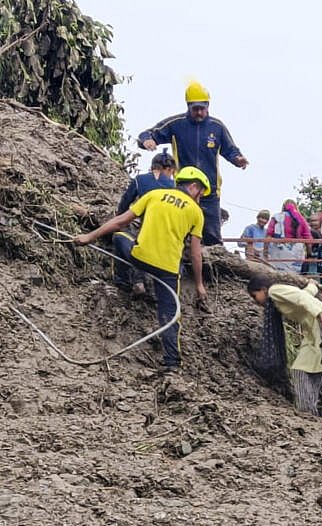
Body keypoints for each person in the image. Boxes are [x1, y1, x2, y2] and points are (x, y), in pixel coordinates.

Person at [73, 167, 209, 372]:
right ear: (194, 186)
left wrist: (89, 237)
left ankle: (123, 282)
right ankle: (172, 363)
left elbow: (120, 222)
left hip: (140, 258)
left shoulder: (154, 195)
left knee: (120, 238)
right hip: (168, 270)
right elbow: (195, 253)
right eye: (201, 193)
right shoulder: (196, 212)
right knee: (170, 315)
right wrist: (199, 284)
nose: (200, 198)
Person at [246, 277, 322, 430]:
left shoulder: (274, 291)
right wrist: (312, 285)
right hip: (313, 334)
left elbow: (301, 297)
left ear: (263, 290)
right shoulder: (276, 299)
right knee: (300, 370)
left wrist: (320, 316)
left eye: (254, 296)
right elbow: (304, 294)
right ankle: (308, 415)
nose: (254, 301)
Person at [137, 82, 248, 245]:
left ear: (208, 105)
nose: (199, 112)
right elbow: (147, 134)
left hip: (209, 192)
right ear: (188, 106)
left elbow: (230, 150)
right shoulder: (176, 124)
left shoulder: (217, 127)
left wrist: (238, 159)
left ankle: (212, 269)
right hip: (184, 191)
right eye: (195, 108)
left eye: (203, 108)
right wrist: (147, 141)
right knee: (181, 234)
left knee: (212, 238)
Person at [113, 151, 177, 294]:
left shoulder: (140, 180)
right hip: (169, 243)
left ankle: (125, 282)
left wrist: (119, 219)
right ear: (169, 169)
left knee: (120, 238)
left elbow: (124, 204)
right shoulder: (175, 187)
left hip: (146, 234)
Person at [264, 201, 312, 274]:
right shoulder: (301, 219)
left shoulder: (276, 217)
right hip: (297, 251)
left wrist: (265, 252)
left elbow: (269, 235)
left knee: (277, 274)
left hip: (278, 249)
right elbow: (308, 239)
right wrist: (309, 254)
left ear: (283, 207)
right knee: (294, 276)